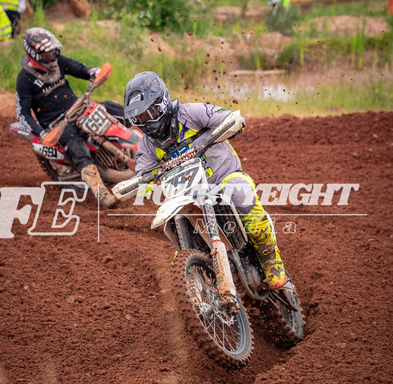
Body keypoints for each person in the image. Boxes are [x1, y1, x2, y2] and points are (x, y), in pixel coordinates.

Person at [123, 71, 291, 291]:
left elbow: (231, 119)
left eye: (149, 113)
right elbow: (142, 175)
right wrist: (139, 185)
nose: (146, 121)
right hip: (187, 194)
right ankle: (194, 283)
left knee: (242, 196)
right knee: (176, 223)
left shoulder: (190, 113)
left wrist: (228, 126)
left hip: (224, 177)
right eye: (140, 118)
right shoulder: (147, 144)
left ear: (162, 103)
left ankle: (271, 261)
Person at [16, 27, 117, 209]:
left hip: (78, 107)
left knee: (110, 107)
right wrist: (42, 133)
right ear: (33, 55)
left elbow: (79, 69)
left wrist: (92, 72)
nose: (52, 57)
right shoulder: (25, 79)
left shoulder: (58, 62)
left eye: (53, 52)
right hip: (58, 124)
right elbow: (23, 113)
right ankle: (102, 193)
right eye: (46, 55)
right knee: (77, 147)